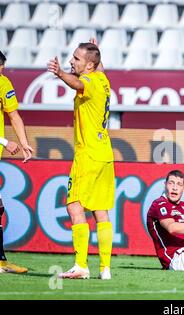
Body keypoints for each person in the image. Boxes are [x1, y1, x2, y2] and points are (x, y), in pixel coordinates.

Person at [47, 39, 114, 280]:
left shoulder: (87, 81)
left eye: (76, 59)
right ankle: (105, 269)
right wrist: (95, 52)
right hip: (105, 154)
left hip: (88, 155)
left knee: (74, 206)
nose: (70, 61)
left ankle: (81, 266)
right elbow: (98, 67)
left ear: (88, 66)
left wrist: (59, 73)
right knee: (100, 211)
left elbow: (77, 82)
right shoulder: (102, 79)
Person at [0, 50, 34, 273]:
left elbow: (14, 116)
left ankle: (1, 262)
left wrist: (24, 143)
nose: (0, 73)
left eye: (2, 69)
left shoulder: (3, 83)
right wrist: (4, 141)